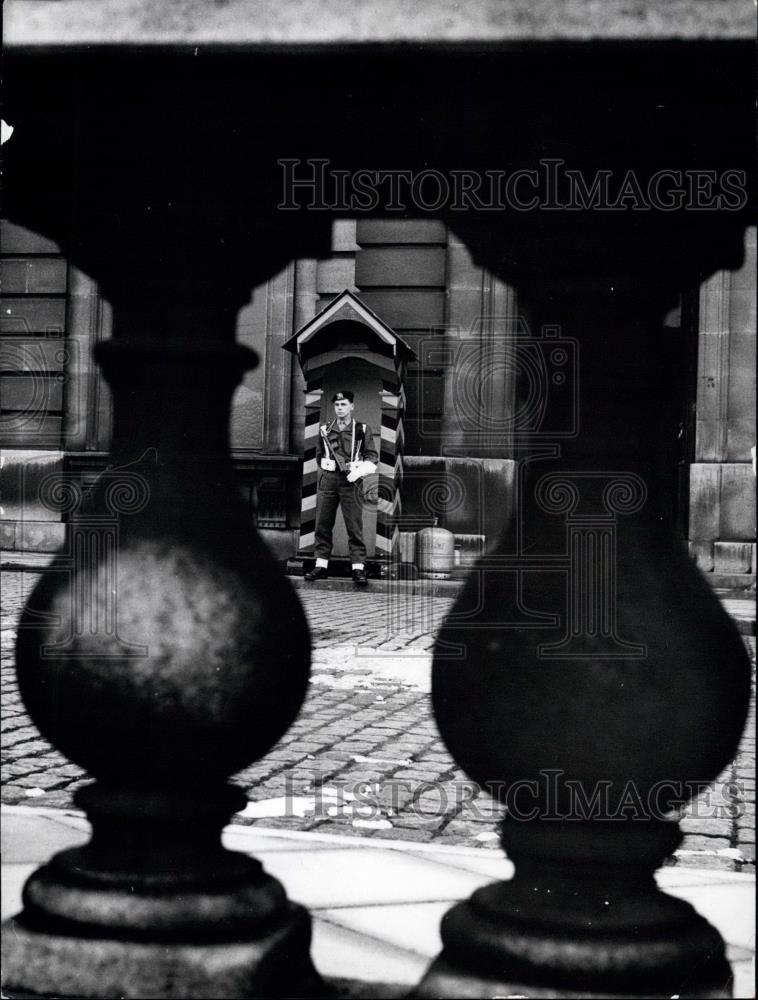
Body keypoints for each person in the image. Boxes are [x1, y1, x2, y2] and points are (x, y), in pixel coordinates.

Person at [304, 390, 378, 586]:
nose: (340, 408)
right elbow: (319, 456)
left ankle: (358, 568)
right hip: (328, 481)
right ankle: (321, 565)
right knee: (323, 523)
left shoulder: (362, 429)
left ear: (352, 406)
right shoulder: (325, 430)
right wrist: (329, 467)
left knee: (354, 526)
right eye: (337, 405)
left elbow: (372, 456)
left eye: (344, 404)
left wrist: (359, 469)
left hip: (351, 481)